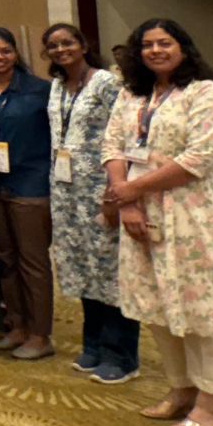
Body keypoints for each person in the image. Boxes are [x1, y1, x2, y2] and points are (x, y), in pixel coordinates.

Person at [102, 18, 213, 426]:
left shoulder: (207, 93)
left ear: (183, 47)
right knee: (157, 303)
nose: (156, 51)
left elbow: (198, 158)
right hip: (139, 211)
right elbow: (112, 145)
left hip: (190, 212)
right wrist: (128, 201)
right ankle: (182, 388)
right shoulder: (132, 94)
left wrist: (131, 190)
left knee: (200, 303)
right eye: (147, 45)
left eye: (165, 43)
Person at [42, 23, 136, 382]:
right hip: (67, 193)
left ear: (83, 45)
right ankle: (93, 343)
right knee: (82, 266)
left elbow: (124, 137)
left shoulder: (106, 83)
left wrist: (117, 192)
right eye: (53, 45)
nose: (61, 50)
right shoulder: (56, 86)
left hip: (102, 189)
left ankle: (121, 354)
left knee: (109, 270)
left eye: (67, 43)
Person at [0, 27, 56, 360]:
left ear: (15, 53)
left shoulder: (39, 90)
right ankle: (17, 325)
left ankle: (41, 334)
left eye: (5, 51)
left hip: (30, 183)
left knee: (33, 262)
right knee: (5, 260)